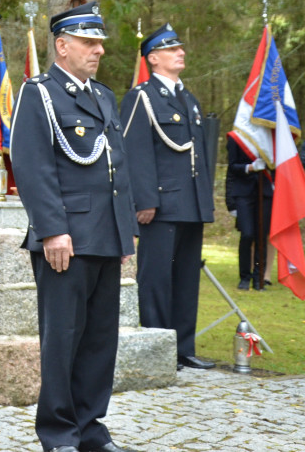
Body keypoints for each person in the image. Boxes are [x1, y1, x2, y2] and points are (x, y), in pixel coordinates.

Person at [11, 1, 139, 452]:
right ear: (62, 46)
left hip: (104, 235)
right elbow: (32, 165)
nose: (98, 50)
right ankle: (59, 432)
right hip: (66, 237)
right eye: (88, 42)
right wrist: (51, 229)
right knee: (63, 339)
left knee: (100, 340)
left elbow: (116, 169)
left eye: (99, 42)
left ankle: (90, 428)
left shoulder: (103, 96)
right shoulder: (40, 93)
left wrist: (125, 232)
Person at [120, 24, 215, 370]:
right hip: (160, 204)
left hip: (189, 202)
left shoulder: (188, 100)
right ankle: (158, 345)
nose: (181, 53)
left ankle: (182, 347)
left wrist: (204, 201)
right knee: (157, 277)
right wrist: (144, 199)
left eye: (181, 48)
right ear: (154, 58)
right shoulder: (141, 97)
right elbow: (135, 150)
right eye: (172, 49)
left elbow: (198, 155)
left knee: (187, 277)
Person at [225, 134, 273, 290]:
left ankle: (258, 278)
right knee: (247, 234)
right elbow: (232, 167)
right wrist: (250, 167)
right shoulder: (236, 137)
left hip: (265, 192)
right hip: (244, 193)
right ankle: (244, 277)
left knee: (261, 236)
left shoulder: (270, 136)